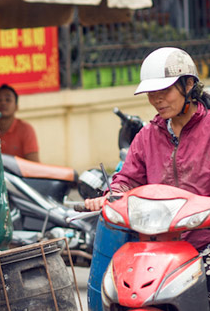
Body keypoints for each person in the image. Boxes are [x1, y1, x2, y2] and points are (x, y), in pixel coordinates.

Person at [84, 46, 210, 289]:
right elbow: (126, 180)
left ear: (188, 85)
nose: (157, 100)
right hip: (157, 245)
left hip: (205, 243)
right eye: (151, 93)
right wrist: (110, 197)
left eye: (164, 91)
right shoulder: (147, 136)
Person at [0, 84, 40, 162]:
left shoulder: (25, 130)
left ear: (16, 106)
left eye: (8, 100)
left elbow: (34, 163)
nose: (3, 103)